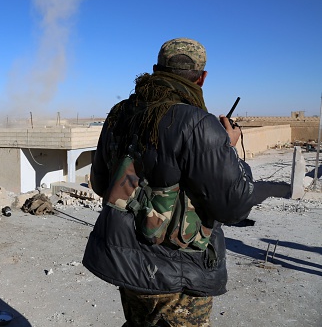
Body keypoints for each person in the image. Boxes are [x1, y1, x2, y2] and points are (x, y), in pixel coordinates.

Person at [83, 38, 256, 327]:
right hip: (177, 272)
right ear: (201, 78)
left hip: (125, 262)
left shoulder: (119, 113)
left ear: (155, 70)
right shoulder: (199, 123)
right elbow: (234, 207)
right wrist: (230, 149)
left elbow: (101, 183)